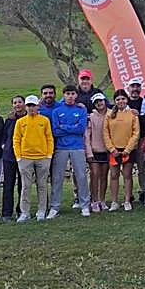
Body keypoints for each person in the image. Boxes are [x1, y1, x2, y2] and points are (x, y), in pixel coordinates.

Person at [49, 84, 90, 218]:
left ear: (76, 95)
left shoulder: (81, 110)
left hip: (77, 146)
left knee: (81, 176)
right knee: (57, 177)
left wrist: (64, 127)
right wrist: (72, 127)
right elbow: (56, 131)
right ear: (64, 95)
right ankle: (55, 206)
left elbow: (80, 129)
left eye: (72, 94)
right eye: (67, 94)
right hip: (61, 148)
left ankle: (85, 205)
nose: (70, 96)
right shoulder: (57, 111)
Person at [13, 94, 53, 222]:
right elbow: (16, 140)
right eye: (29, 105)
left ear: (38, 106)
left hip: (42, 158)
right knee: (25, 186)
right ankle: (25, 212)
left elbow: (49, 138)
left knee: (42, 186)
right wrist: (19, 157)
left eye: (33, 105)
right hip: (25, 158)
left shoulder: (44, 120)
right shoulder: (20, 122)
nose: (31, 108)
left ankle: (41, 211)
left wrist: (48, 155)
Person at [103, 90, 139, 211]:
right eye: (118, 99)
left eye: (123, 99)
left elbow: (136, 133)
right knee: (114, 175)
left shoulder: (132, 114)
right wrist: (112, 149)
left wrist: (128, 149)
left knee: (128, 175)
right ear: (115, 101)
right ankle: (114, 201)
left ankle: (127, 200)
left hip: (127, 150)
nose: (121, 101)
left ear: (127, 100)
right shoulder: (109, 115)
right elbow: (105, 133)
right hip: (114, 150)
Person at [0, 95, 26, 221]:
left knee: (23, 185)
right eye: (15, 103)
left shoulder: (28, 118)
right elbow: (4, 135)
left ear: (24, 104)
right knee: (8, 185)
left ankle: (21, 210)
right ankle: (6, 213)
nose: (17, 105)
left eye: (20, 102)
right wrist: (4, 145)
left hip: (24, 156)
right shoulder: (9, 120)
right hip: (9, 156)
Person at [82, 94, 110, 212]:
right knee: (94, 175)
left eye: (101, 101)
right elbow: (87, 136)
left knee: (104, 176)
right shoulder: (91, 117)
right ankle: (94, 200)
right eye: (97, 102)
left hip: (108, 150)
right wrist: (89, 153)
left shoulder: (111, 114)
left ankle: (102, 200)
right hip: (94, 150)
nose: (99, 103)